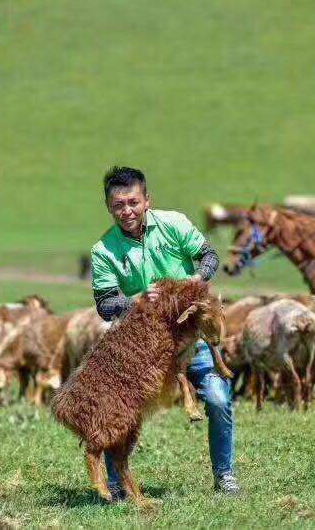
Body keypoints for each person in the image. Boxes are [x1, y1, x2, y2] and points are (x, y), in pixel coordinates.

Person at [90, 166, 240, 500]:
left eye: (133, 202)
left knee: (217, 398)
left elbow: (209, 256)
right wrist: (135, 301)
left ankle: (225, 475)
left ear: (146, 200)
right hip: (140, 348)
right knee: (121, 409)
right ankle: (116, 482)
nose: (127, 211)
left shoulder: (174, 224)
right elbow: (104, 304)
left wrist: (196, 279)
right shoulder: (104, 251)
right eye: (118, 205)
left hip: (189, 341)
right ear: (109, 208)